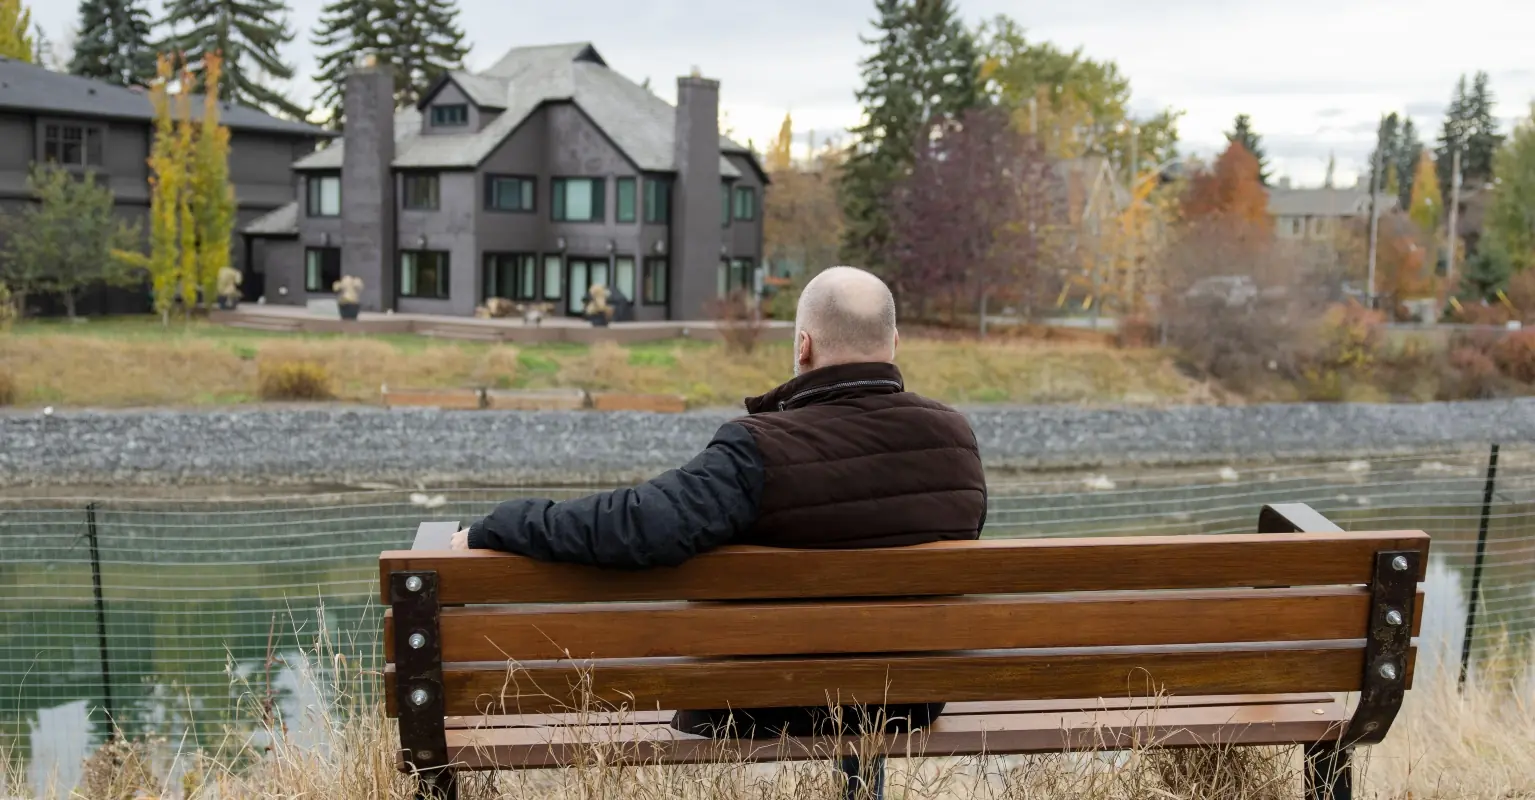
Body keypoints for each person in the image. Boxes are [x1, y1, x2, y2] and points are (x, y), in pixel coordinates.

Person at [453, 265, 987, 739]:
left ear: (803, 345)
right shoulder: (955, 439)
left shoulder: (758, 447)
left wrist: (498, 527)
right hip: (905, 702)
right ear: (893, 342)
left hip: (761, 708)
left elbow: (637, 527)